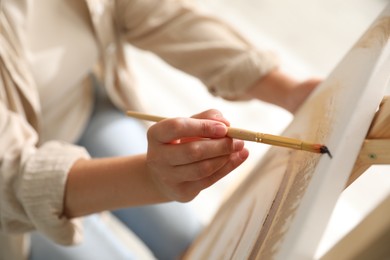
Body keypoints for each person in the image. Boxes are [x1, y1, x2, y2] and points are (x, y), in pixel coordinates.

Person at [0, 0, 320, 259]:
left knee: (195, 243)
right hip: (12, 189)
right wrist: (150, 179)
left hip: (81, 110)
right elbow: (12, 177)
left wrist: (288, 90)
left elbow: (157, 12)